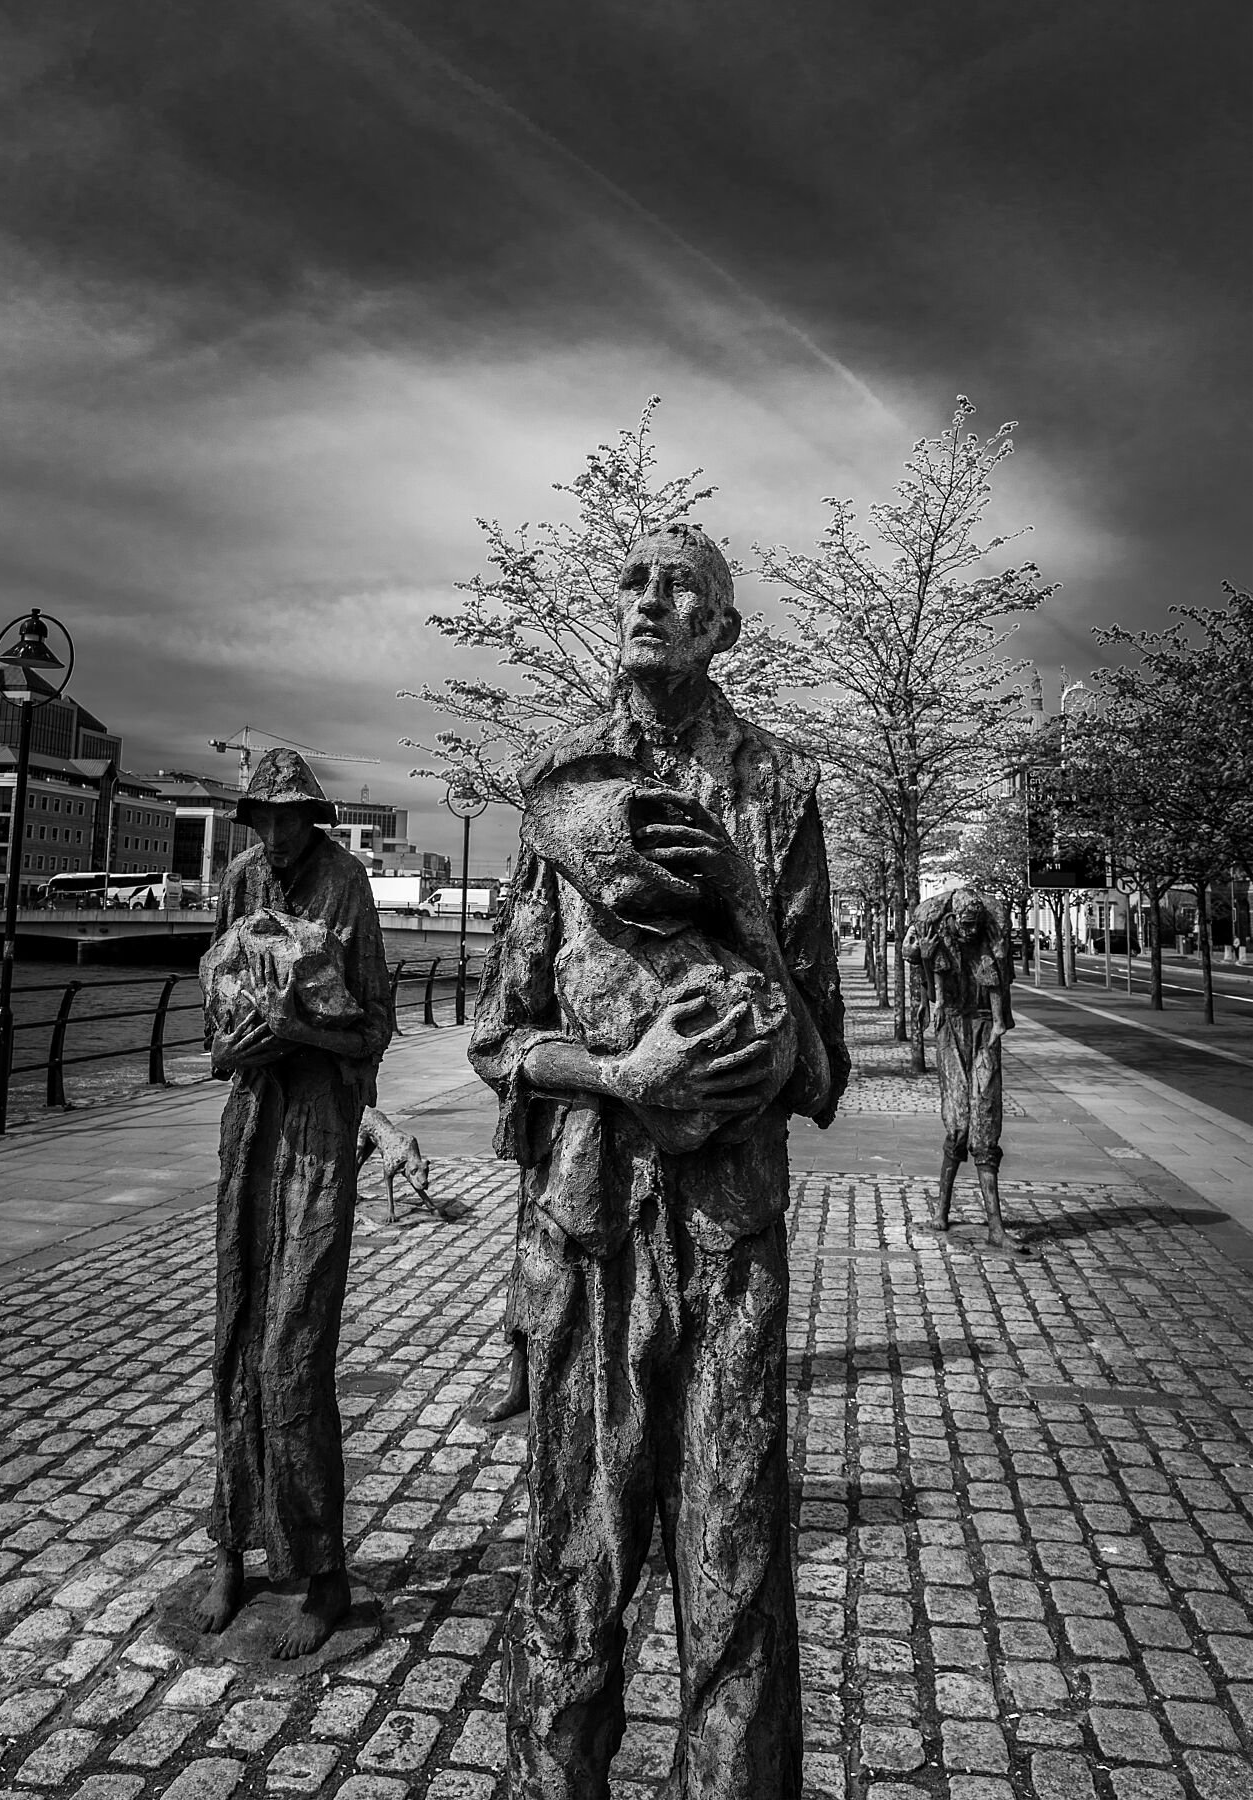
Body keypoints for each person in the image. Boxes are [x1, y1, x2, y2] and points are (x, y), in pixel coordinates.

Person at [470, 521, 850, 1799]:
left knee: (734, 1553)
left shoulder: (779, 788)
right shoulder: (558, 789)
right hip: (589, 1225)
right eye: (631, 580)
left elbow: (823, 1073)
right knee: (573, 1562)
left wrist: (743, 903)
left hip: (732, 1231)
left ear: (721, 628)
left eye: (680, 585)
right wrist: (622, 1076)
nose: (648, 599)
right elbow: (496, 1037)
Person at [194, 748, 393, 1659]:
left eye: (287, 819)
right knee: (236, 1337)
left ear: (312, 818)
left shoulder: (344, 881)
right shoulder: (241, 877)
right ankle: (232, 1548)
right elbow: (217, 1000)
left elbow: (374, 1019)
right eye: (261, 818)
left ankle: (322, 1569)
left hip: (316, 1124)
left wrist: (302, 1029)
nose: (273, 835)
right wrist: (237, 1043)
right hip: (252, 1125)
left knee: (294, 1350)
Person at [902, 886, 1024, 1252]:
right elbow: (914, 956)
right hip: (952, 1025)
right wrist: (923, 1001)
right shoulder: (934, 936)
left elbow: (999, 981)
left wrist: (1000, 1022)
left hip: (985, 1026)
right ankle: (941, 1211)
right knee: (957, 1123)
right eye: (965, 925)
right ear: (952, 919)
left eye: (975, 925)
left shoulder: (990, 942)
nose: (970, 932)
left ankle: (995, 1226)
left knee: (986, 1120)